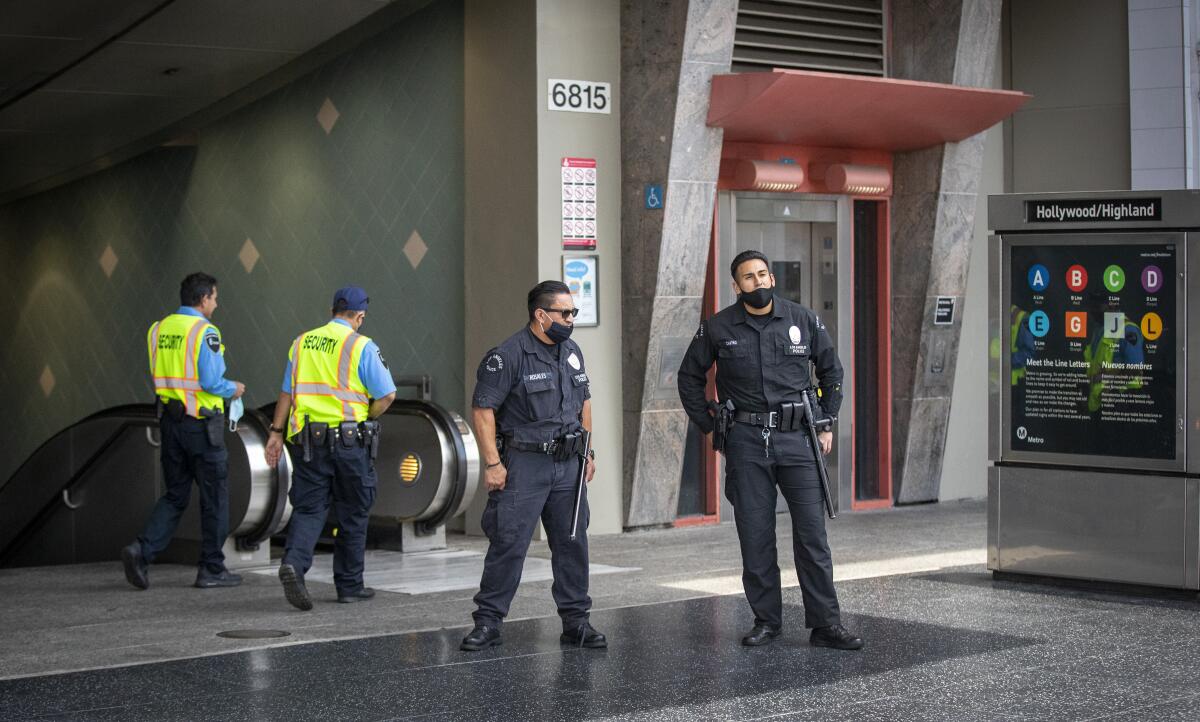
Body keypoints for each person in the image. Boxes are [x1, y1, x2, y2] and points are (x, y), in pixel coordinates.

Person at [677, 250, 863, 650]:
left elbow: (832, 371)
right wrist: (712, 425)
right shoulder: (717, 327)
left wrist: (827, 420)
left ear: (773, 279)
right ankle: (767, 621)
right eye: (748, 277)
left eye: (763, 275)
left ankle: (826, 624)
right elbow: (689, 378)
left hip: (799, 440)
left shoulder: (804, 319)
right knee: (755, 536)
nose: (757, 283)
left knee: (812, 536)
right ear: (736, 285)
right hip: (746, 443)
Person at [460, 281, 602, 652]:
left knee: (573, 544)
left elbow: (583, 401)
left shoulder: (571, 351)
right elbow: (483, 409)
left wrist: (588, 450)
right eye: (565, 313)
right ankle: (488, 623)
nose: (571, 319)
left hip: (568, 463)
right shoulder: (508, 355)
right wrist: (492, 463)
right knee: (509, 543)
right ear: (541, 316)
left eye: (573, 312)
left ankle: (576, 623)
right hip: (524, 463)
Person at [264, 286, 396, 610]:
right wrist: (365, 415)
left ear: (333, 309)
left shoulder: (301, 343)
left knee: (310, 508)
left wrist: (276, 433)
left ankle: (294, 563)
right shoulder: (361, 345)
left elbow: (286, 393)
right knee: (353, 509)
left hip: (307, 442)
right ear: (360, 316)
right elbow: (387, 395)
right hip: (350, 442)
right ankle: (350, 586)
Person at [122, 272, 246, 590]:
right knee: (214, 497)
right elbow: (211, 382)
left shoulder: (158, 329)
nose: (216, 304)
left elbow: (158, 372)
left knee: (175, 494)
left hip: (170, 422)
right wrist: (234, 388)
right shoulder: (205, 332)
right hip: (202, 425)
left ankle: (141, 551)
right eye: (215, 298)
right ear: (203, 298)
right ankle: (211, 569)